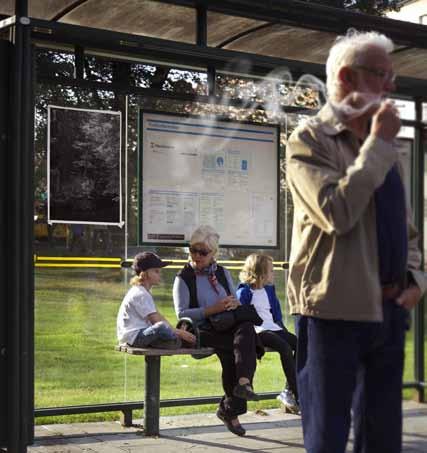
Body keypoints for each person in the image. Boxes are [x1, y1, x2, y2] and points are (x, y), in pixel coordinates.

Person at [286, 29, 427, 453]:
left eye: (392, 78)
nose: (390, 87)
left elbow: (406, 227)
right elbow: (337, 213)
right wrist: (380, 144)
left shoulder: (380, 146)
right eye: (381, 75)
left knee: (383, 439)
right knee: (327, 437)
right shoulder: (309, 140)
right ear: (347, 78)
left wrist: (416, 278)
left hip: (388, 309)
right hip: (333, 312)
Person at [173, 225, 260, 437]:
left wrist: (231, 304)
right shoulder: (183, 277)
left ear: (214, 253)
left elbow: (235, 299)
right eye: (193, 250)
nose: (197, 255)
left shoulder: (221, 272)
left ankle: (242, 384)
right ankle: (231, 408)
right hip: (202, 330)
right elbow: (182, 314)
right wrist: (215, 308)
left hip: (226, 325)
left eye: (203, 252)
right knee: (238, 348)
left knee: (246, 329)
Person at [236, 253, 299, 414]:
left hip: (273, 327)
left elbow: (276, 314)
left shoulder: (269, 290)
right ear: (260, 273)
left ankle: (288, 391)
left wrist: (283, 330)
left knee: (300, 345)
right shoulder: (244, 292)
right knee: (284, 348)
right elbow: (242, 317)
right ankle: (299, 395)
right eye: (271, 270)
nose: (273, 273)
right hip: (259, 331)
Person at [117, 252, 196, 349]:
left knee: (164, 327)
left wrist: (174, 330)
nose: (160, 275)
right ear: (144, 274)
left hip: (140, 335)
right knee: (161, 327)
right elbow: (156, 320)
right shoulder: (140, 293)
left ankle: (174, 342)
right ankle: (177, 341)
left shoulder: (143, 291)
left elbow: (158, 316)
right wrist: (179, 333)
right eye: (156, 271)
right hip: (135, 337)